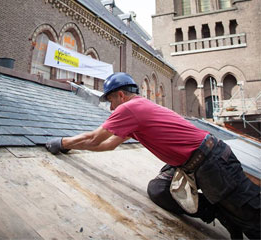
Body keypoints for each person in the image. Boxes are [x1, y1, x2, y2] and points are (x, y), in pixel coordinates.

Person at [46, 72, 260, 240]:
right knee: (159, 190)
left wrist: (62, 142)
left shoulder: (129, 108)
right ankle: (218, 212)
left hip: (211, 160)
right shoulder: (138, 111)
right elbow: (108, 145)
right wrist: (74, 148)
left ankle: (232, 214)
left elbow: (94, 138)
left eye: (111, 100)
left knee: (252, 218)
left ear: (121, 95)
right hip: (190, 163)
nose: (110, 108)